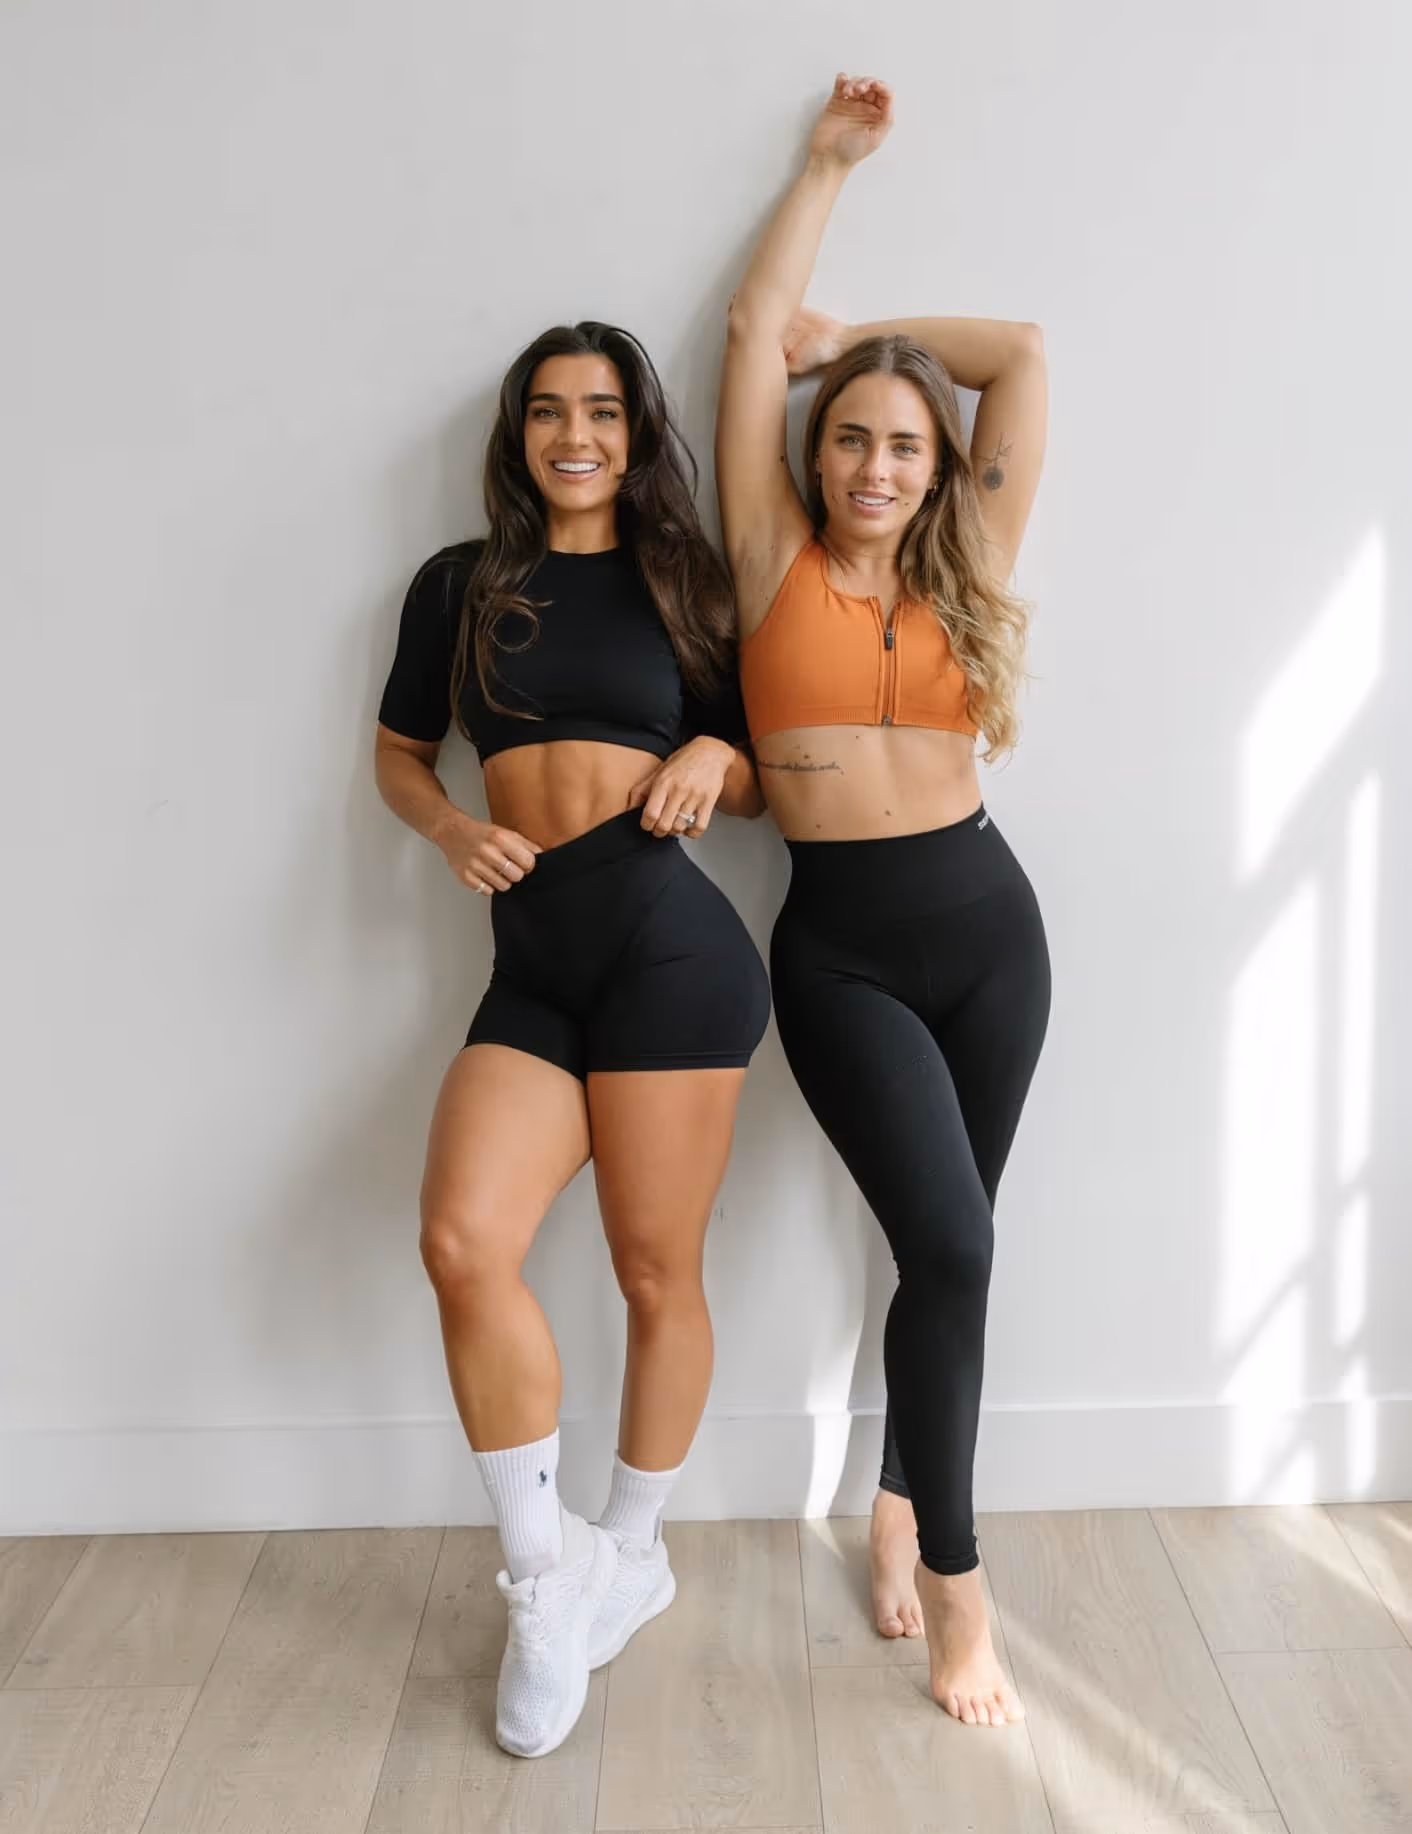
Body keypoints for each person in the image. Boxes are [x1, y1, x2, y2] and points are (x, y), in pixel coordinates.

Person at [374, 321, 770, 1758]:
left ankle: (638, 1546)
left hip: (672, 953)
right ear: (518, 432)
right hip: (532, 963)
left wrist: (718, 754)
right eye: (549, 412)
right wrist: (452, 828)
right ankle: (548, 1582)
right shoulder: (462, 586)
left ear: (635, 427)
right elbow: (401, 752)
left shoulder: (685, 579)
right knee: (463, 1241)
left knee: (654, 1267)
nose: (576, 436)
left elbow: (759, 776)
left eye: (602, 410)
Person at [716, 75, 1051, 1727]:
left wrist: (884, 345)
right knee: (955, 1237)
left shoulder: (965, 563)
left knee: (955, 1253)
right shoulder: (769, 550)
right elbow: (748, 328)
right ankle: (966, 1599)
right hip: (840, 946)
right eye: (850, 431)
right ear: (814, 451)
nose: (874, 459)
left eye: (905, 442)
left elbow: (1023, 355)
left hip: (993, 934)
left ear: (937, 469)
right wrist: (824, 173)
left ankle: (903, 1498)